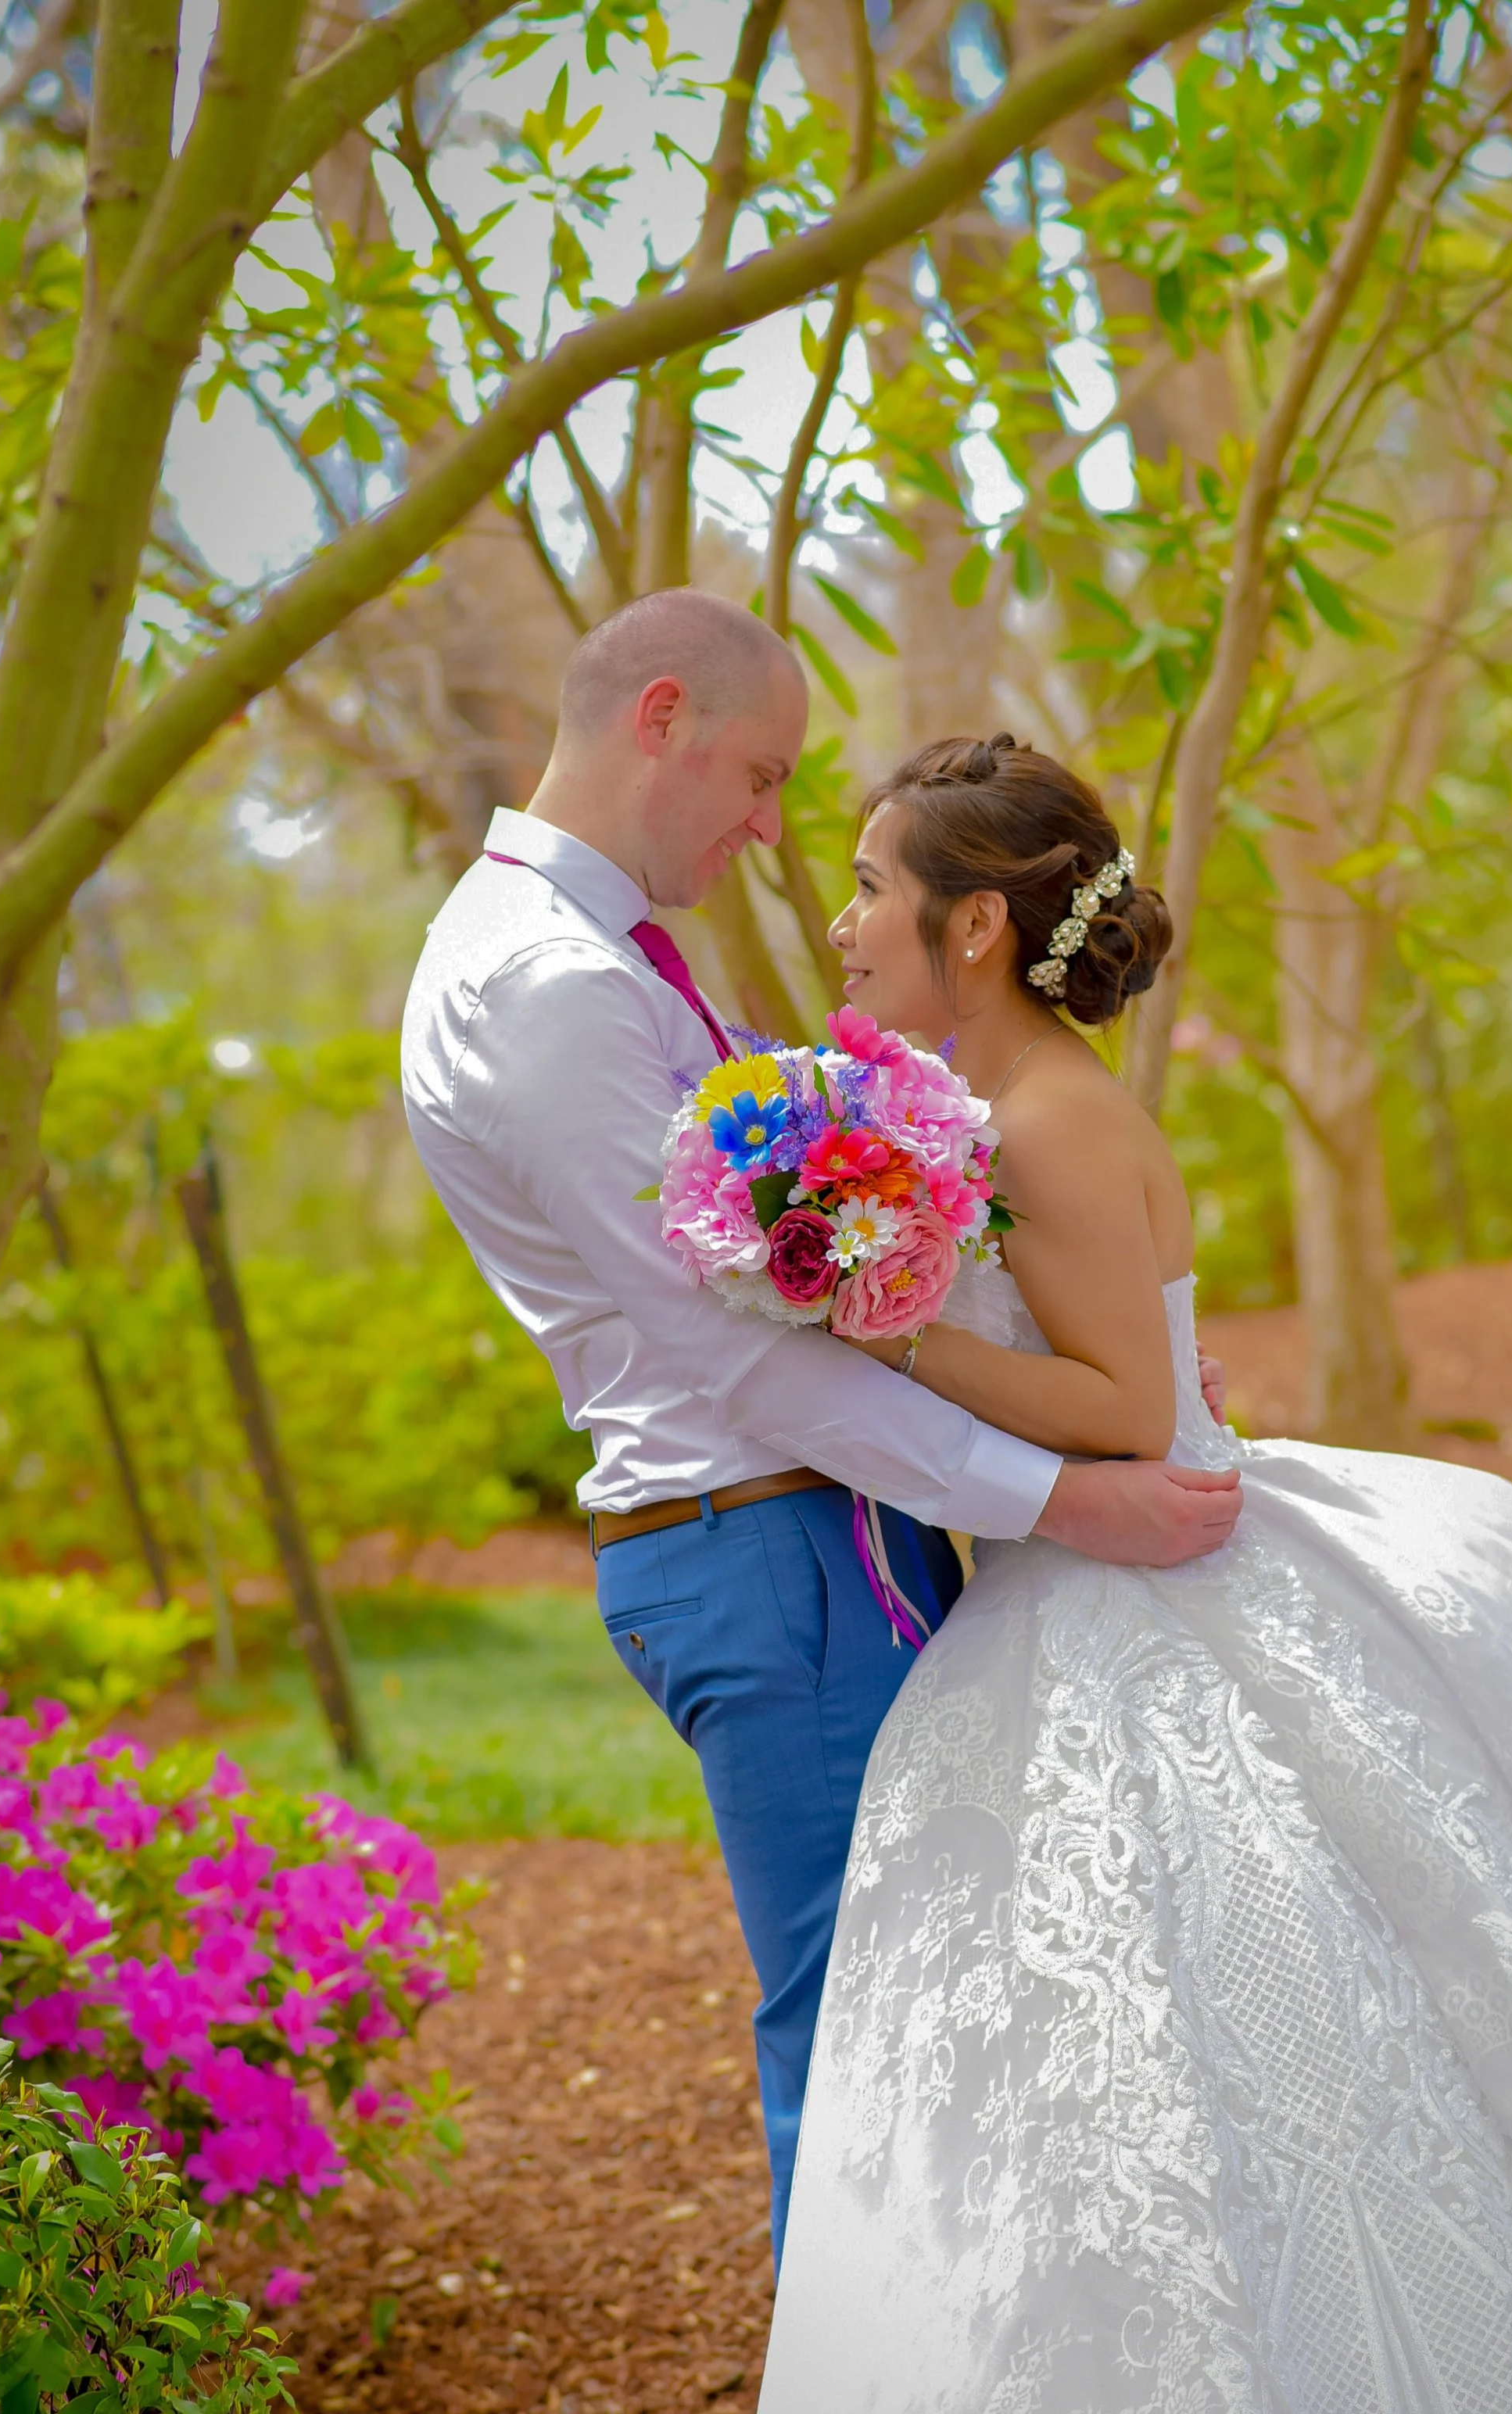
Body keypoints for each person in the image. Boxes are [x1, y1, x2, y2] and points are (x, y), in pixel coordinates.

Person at [725, 734, 1512, 2414]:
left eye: (870, 885)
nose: (844, 921)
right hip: (1080, 1583)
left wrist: (874, 1333)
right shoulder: (975, 1109)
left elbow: (1119, 1407)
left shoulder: (1045, 1123)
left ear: (970, 924)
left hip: (1132, 1590)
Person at [399, 599, 1240, 2263]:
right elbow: (742, 1360)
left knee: (929, 2010)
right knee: (867, 2033)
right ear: (660, 717)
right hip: (763, 1547)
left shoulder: (602, 958)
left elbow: (804, 1287)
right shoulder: (549, 986)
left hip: (814, 1535)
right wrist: (1067, 1499)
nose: (774, 825)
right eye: (763, 774)